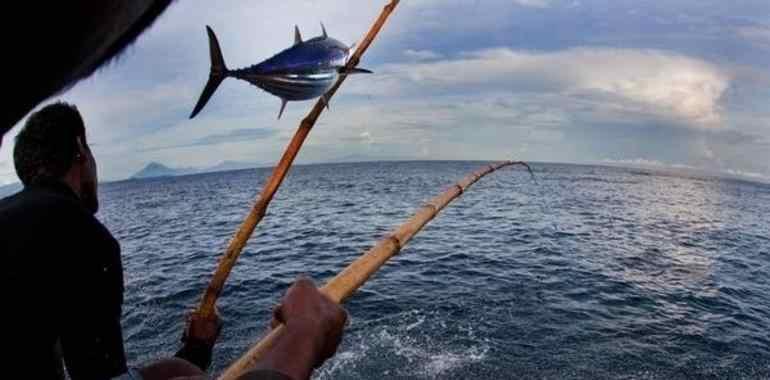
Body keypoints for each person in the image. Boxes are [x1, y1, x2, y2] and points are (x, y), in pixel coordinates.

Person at [0, 102, 347, 380]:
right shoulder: (81, 234)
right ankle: (309, 323)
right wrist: (303, 331)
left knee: (174, 370)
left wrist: (197, 349)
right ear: (79, 150)